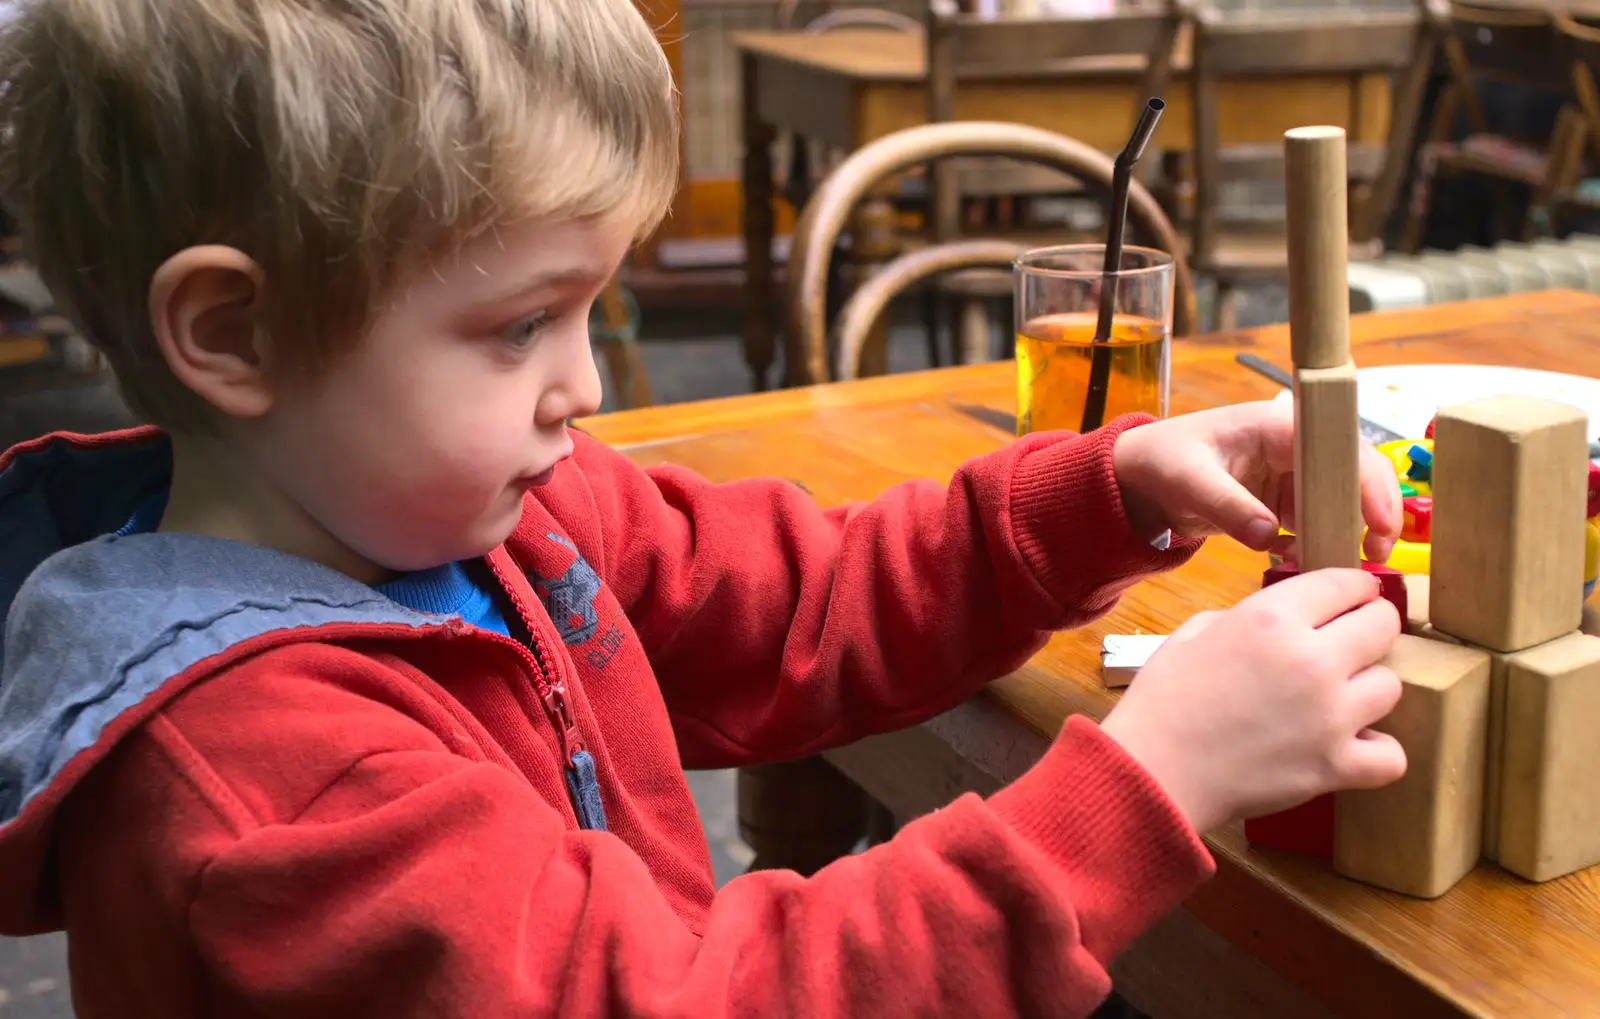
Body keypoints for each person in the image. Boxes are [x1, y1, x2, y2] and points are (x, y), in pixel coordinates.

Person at [0, 0, 1407, 1015]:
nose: (587, 383)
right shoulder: (272, 794)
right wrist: (1149, 779)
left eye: (592, 309)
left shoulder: (482, 517)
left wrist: (1110, 490)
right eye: (521, 325)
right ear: (234, 334)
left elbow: (807, 603)